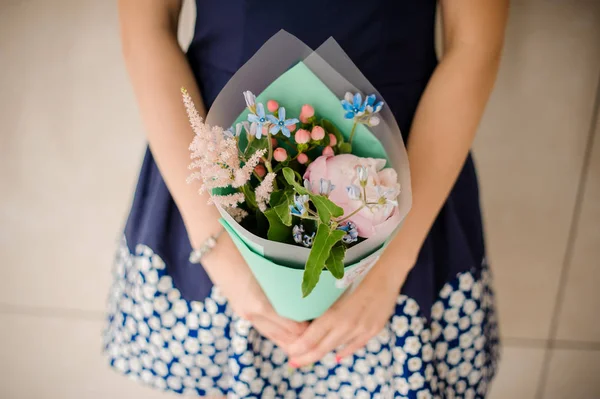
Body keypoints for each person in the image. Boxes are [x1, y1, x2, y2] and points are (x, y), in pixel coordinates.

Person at [104, 1, 508, 397]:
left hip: (404, 162)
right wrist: (216, 244)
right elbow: (146, 29)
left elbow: (474, 45)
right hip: (222, 162)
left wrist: (389, 266)